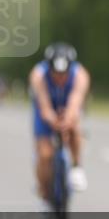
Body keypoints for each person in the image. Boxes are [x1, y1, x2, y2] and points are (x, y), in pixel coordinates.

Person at [30, 42, 90, 207]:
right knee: (44, 155)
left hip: (68, 107)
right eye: (55, 74)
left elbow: (75, 101)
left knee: (75, 127)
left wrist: (68, 119)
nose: (60, 78)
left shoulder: (81, 75)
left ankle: (77, 166)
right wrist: (52, 119)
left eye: (64, 74)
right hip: (46, 109)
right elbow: (44, 106)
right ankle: (44, 194)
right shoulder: (38, 75)